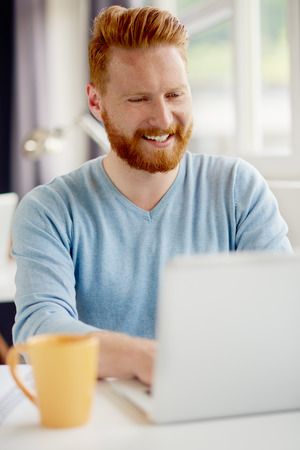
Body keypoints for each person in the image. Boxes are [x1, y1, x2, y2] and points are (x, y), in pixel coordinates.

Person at [11, 6, 292, 385]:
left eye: (175, 94)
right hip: (99, 423)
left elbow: (284, 311)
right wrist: (146, 360)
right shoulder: (49, 210)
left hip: (216, 403)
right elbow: (39, 327)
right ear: (96, 102)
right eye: (139, 99)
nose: (162, 118)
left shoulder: (238, 189)